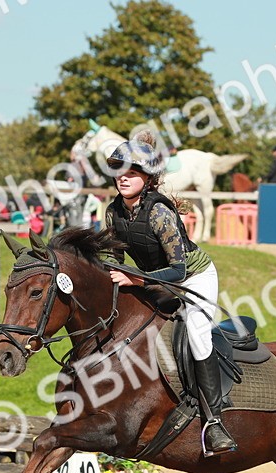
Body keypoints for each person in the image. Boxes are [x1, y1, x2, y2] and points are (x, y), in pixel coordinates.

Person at [104, 133, 235, 456]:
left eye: (132, 172)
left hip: (194, 278)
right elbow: (113, 261)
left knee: (196, 333)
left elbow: (177, 270)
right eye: (120, 170)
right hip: (152, 280)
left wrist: (135, 279)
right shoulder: (113, 212)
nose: (124, 176)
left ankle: (214, 422)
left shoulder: (160, 213)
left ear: (147, 179)